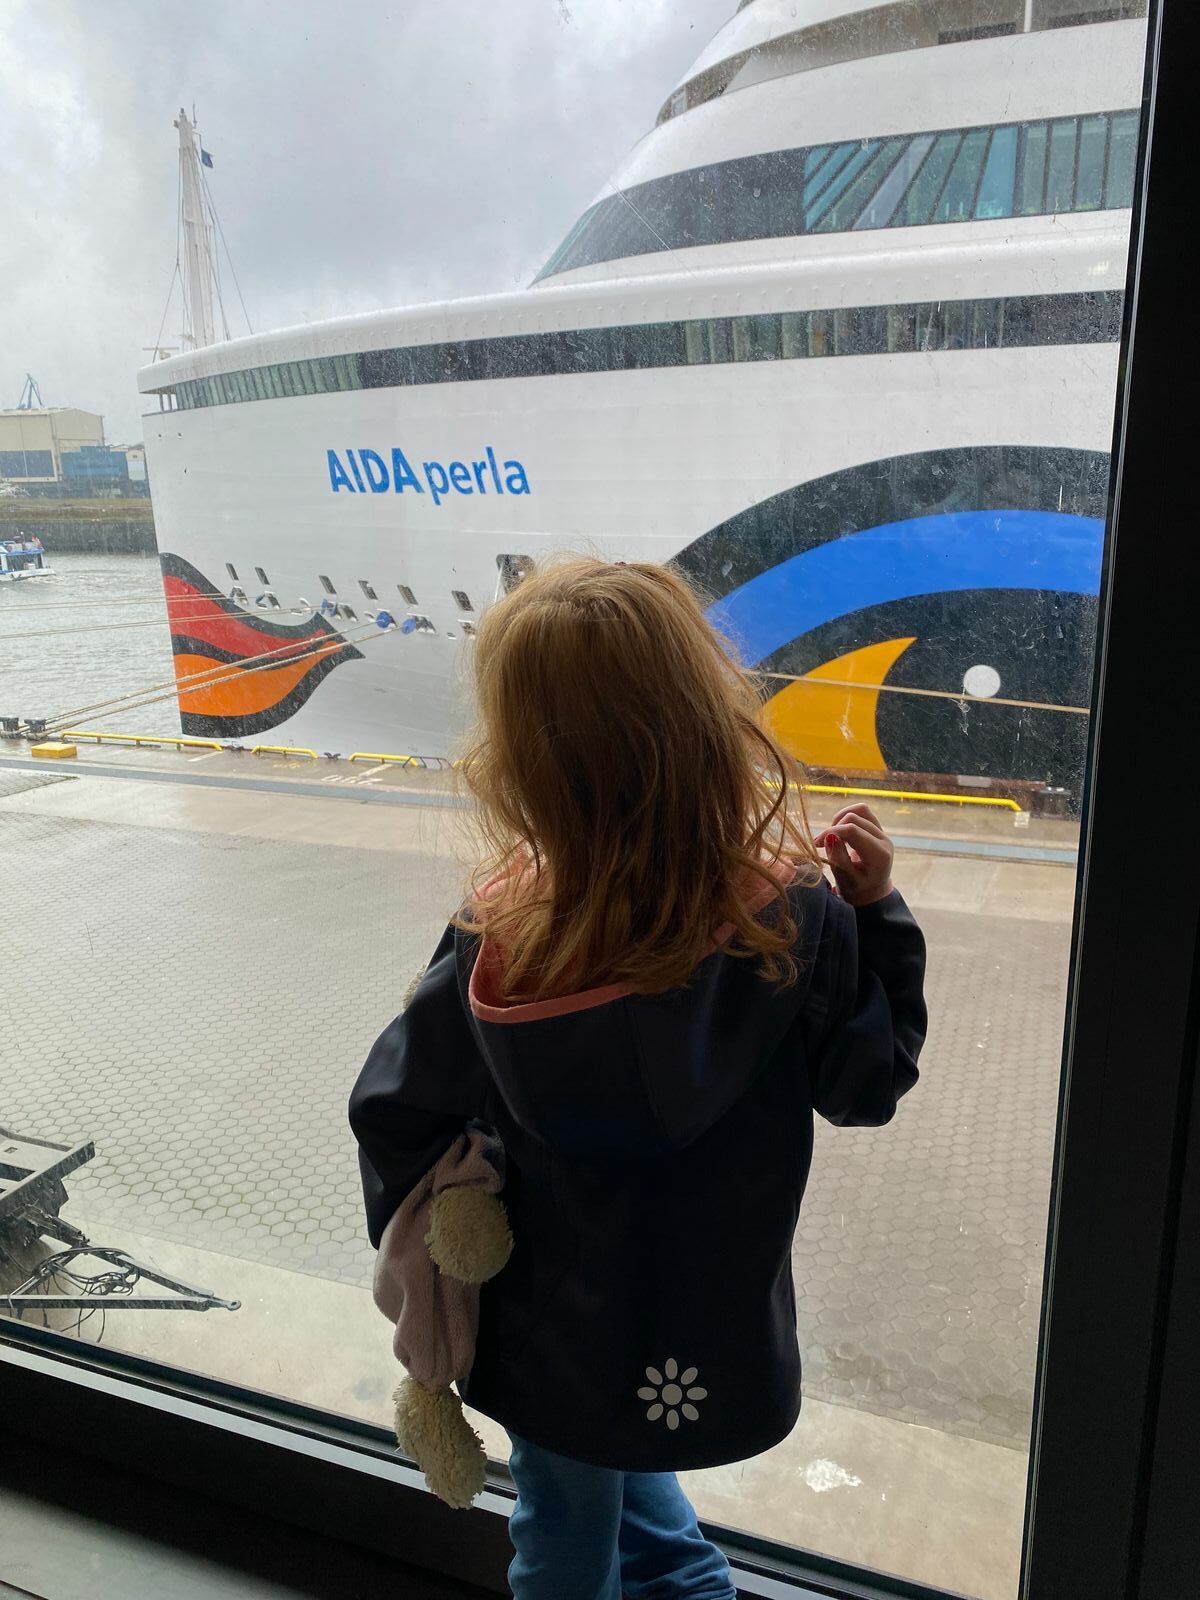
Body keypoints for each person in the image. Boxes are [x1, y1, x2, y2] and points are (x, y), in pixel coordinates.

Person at [350, 557, 927, 1600]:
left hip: (549, 1331)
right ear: (708, 723)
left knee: (565, 1530)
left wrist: (447, 1209)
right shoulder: (794, 921)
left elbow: (395, 1105)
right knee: (640, 1510)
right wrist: (878, 914)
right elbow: (867, 1087)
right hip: (695, 1327)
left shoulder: (502, 933)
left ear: (520, 763)